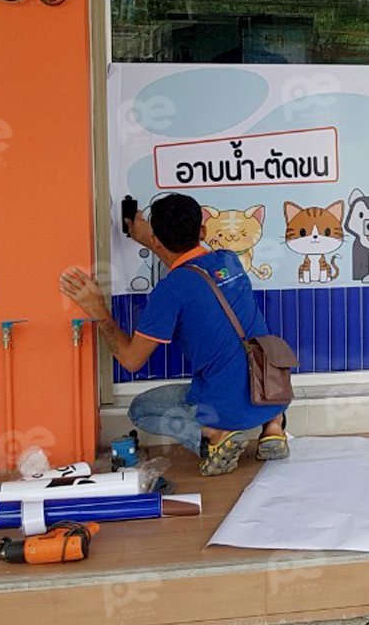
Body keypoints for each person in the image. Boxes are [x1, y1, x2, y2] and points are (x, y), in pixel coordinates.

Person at [59, 193, 289, 474]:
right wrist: (152, 239)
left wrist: (99, 310)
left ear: (157, 241)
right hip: (270, 389)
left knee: (141, 409)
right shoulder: (229, 261)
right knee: (243, 357)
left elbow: (131, 359)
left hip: (224, 405)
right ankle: (273, 427)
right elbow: (192, 264)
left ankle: (215, 435)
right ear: (202, 231)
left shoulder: (170, 291)